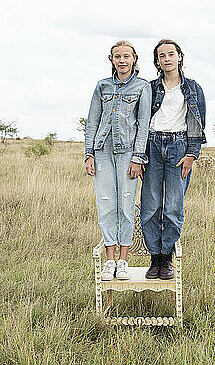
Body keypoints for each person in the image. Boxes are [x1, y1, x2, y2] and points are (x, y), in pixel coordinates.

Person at [84, 40, 151, 281]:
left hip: (128, 154)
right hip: (102, 151)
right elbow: (92, 122)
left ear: (134, 59)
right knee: (106, 204)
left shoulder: (142, 87)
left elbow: (144, 125)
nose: (122, 60)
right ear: (111, 59)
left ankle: (123, 260)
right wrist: (89, 154)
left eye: (126, 56)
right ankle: (109, 259)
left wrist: (138, 157)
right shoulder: (102, 86)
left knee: (125, 204)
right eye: (117, 56)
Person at [140, 39, 207, 279]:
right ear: (157, 61)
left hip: (179, 147)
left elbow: (199, 123)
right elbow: (140, 121)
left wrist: (192, 154)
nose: (166, 58)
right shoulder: (149, 88)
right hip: (152, 145)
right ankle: (154, 258)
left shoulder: (193, 88)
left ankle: (166, 257)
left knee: (173, 207)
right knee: (150, 205)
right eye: (161, 56)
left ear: (180, 56)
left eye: (171, 54)